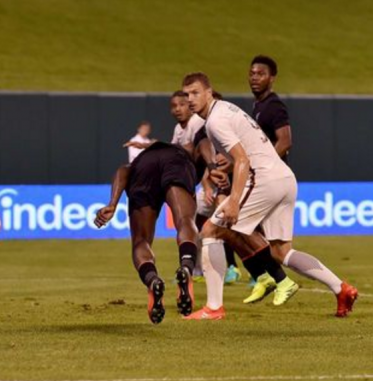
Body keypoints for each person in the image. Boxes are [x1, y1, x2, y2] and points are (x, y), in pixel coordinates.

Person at [181, 72, 358, 320]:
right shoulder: (225, 109)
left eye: (195, 92)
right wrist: (226, 169)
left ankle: (213, 307)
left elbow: (243, 159)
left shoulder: (214, 121)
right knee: (281, 252)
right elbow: (248, 152)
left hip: (264, 179)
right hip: (284, 178)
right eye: (186, 94)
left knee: (210, 230)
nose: (190, 99)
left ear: (209, 92)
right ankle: (341, 289)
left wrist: (233, 199)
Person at [94, 141, 209, 323]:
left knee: (141, 240)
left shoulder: (147, 154)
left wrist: (112, 203)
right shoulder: (190, 151)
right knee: (185, 220)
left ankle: (152, 279)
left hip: (144, 166)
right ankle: (187, 267)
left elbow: (123, 170)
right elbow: (204, 145)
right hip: (176, 162)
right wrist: (214, 167)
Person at [171, 91, 242, 284]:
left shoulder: (205, 124)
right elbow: (205, 160)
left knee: (231, 227)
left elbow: (229, 158)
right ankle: (197, 270)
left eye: (183, 104)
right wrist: (207, 185)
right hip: (211, 185)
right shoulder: (188, 127)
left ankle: (249, 270)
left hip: (232, 184)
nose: (178, 108)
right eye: (174, 105)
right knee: (196, 223)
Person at [249, 55, 292, 162]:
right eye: (252, 74)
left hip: (274, 176)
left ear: (272, 78)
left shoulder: (274, 105)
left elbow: (285, 142)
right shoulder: (259, 104)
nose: (254, 78)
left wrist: (265, 165)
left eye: (261, 74)